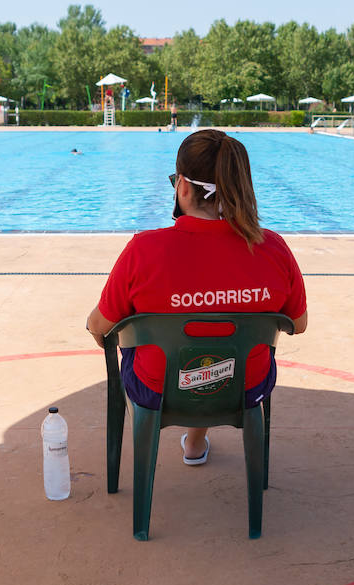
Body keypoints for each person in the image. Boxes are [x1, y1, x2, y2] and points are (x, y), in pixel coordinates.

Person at [85, 129, 308, 466]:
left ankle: (190, 437)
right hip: (245, 388)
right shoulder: (273, 249)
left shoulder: (145, 251)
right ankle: (195, 441)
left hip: (158, 391)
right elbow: (299, 324)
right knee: (217, 353)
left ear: (183, 187)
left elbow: (100, 325)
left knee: (149, 350)